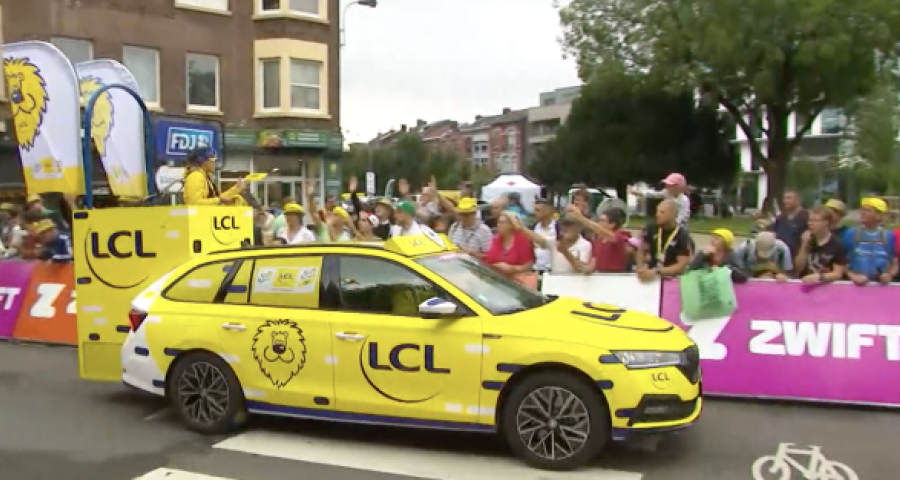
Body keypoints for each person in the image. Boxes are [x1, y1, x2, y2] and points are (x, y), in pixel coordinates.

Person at [842, 197, 896, 285]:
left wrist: (889, 275)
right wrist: (852, 276)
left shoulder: (888, 235)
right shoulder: (851, 233)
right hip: (855, 287)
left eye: (867, 210)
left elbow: (894, 263)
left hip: (880, 288)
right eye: (862, 210)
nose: (862, 213)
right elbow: (840, 262)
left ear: (879, 215)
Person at [635, 199, 692, 282]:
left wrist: (657, 271)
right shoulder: (652, 229)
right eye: (657, 211)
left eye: (662, 212)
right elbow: (641, 250)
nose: (657, 215)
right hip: (652, 278)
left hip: (672, 280)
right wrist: (640, 269)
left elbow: (681, 266)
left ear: (673, 214)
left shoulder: (682, 235)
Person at [517, 214, 593, 274]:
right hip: (554, 285)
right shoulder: (555, 242)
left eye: (570, 225)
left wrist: (565, 252)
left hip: (575, 287)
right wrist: (522, 229)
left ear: (579, 227)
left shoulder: (585, 245)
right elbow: (540, 240)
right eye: (564, 224)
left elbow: (581, 268)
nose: (565, 228)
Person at [567, 206, 632, 273]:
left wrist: (581, 218)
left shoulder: (618, 237)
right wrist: (580, 265)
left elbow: (599, 230)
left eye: (603, 221)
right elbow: (591, 267)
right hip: (601, 279)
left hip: (615, 279)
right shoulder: (597, 242)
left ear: (612, 224)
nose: (599, 223)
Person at [795, 205, 847, 284]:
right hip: (806, 285)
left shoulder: (836, 244)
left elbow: (838, 273)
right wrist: (804, 245)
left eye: (815, 221)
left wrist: (819, 277)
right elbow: (798, 268)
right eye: (809, 220)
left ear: (825, 222)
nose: (810, 223)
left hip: (825, 286)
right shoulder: (807, 239)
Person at [484, 211, 535, 275]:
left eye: (501, 223)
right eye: (498, 222)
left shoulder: (522, 240)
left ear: (511, 225)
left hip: (516, 280)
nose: (498, 225)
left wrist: (513, 268)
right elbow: (489, 261)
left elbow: (528, 265)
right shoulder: (496, 239)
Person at [768, 189, 808, 260]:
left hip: (795, 257)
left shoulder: (805, 217)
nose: (785, 201)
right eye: (784, 198)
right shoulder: (781, 217)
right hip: (778, 255)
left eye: (789, 198)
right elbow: (772, 231)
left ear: (798, 200)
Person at [530, 199, 558, 273]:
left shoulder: (558, 228)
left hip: (551, 270)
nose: (535, 213)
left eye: (538, 210)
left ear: (548, 211)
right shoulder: (533, 227)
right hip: (535, 269)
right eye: (535, 210)